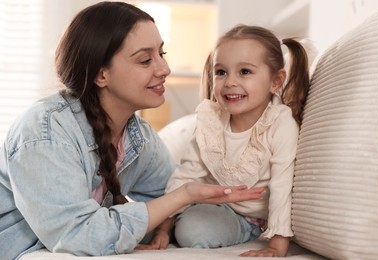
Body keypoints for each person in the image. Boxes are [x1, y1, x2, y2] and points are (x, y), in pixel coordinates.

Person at [0, 3, 265, 260]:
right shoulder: (44, 132)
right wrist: (182, 196)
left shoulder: (138, 137)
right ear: (101, 75)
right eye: (145, 60)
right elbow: (81, 235)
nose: (164, 69)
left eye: (162, 54)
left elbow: (172, 195)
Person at [165, 24, 310, 257]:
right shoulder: (210, 120)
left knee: (193, 232)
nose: (230, 82)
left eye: (244, 72)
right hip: (209, 204)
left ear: (275, 81)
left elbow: (283, 186)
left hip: (249, 218)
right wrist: (163, 227)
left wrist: (277, 245)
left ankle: (238, 229)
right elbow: (187, 173)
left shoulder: (280, 124)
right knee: (150, 223)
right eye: (221, 72)